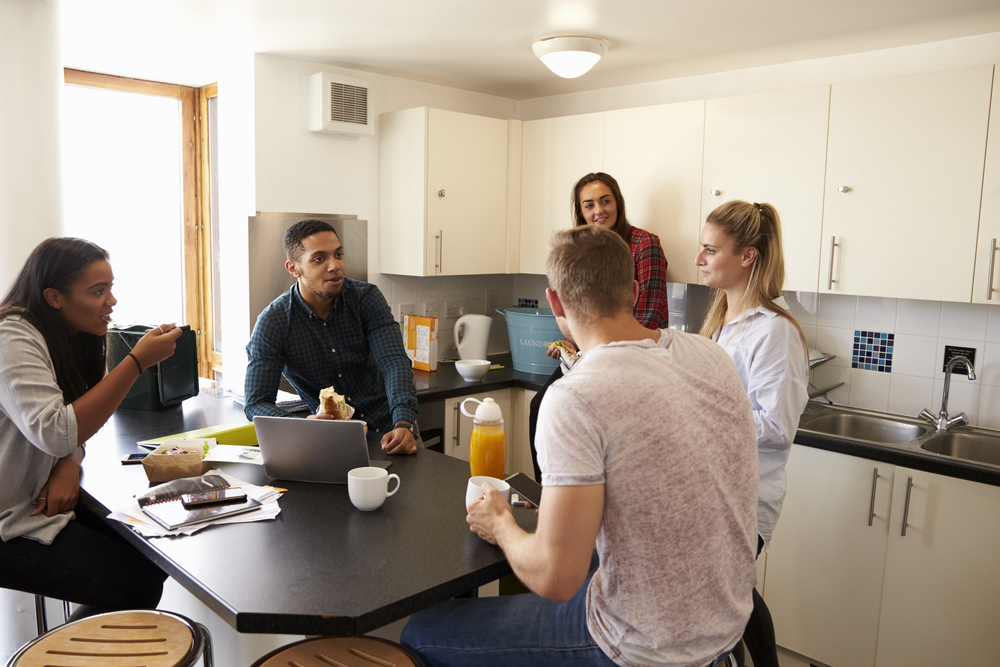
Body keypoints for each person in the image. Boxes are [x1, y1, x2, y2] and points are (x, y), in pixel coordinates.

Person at [401, 225, 759, 667]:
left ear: (554, 302)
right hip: (726, 628)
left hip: (642, 647)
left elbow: (556, 578)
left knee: (420, 631)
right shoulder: (709, 355)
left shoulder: (575, 396)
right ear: (631, 289)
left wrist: (500, 524)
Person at [0, 237, 181, 620]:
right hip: (6, 519)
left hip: (30, 498)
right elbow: (56, 430)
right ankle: (60, 656)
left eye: (110, 288)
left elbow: (71, 426)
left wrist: (68, 461)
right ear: (54, 297)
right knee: (134, 583)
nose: (110, 301)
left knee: (150, 555)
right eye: (97, 291)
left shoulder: (66, 333)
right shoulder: (11, 337)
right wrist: (135, 363)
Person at [696, 201, 810, 667]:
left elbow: (778, 428)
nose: (700, 258)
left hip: (746, 497)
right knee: (732, 595)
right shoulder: (722, 318)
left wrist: (702, 412)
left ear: (748, 256)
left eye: (710, 249)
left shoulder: (773, 332)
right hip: (715, 488)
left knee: (730, 597)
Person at [528, 172, 670, 481]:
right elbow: (578, 313)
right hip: (587, 356)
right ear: (580, 212)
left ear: (618, 203)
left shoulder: (644, 245)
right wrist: (571, 348)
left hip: (633, 358)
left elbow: (648, 316)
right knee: (540, 405)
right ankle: (549, 494)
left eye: (605, 201)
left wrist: (593, 351)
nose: (598, 211)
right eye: (589, 205)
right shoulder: (579, 250)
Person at [244, 219, 420, 454]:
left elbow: (393, 362)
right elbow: (256, 403)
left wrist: (404, 421)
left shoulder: (366, 298)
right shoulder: (273, 323)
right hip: (328, 443)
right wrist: (302, 426)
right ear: (294, 268)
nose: (334, 265)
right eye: (319, 259)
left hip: (392, 432)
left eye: (338, 255)